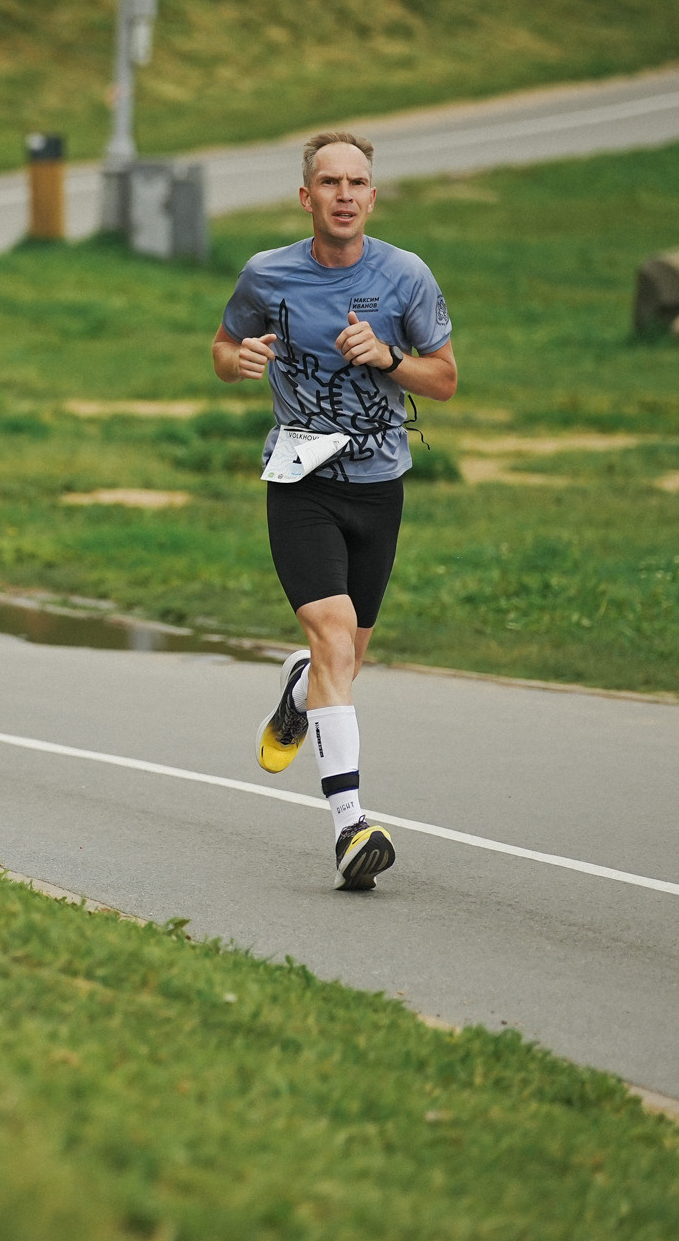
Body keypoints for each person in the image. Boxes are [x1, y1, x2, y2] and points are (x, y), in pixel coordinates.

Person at [211, 132, 457, 891]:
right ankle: (351, 825)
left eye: (358, 182)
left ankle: (296, 691)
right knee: (331, 639)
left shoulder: (406, 276)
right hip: (300, 481)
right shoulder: (268, 273)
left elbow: (444, 380)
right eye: (330, 181)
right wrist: (239, 361)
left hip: (379, 485)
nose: (344, 194)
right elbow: (223, 347)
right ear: (306, 197)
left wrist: (386, 357)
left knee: (345, 658)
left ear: (372, 197)